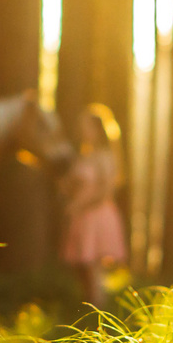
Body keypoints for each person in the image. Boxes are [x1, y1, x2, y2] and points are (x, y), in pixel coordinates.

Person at [61, 104, 127, 306]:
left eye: (87, 127)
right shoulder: (83, 156)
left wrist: (80, 205)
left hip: (97, 215)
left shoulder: (105, 157)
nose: (83, 131)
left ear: (99, 130)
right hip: (82, 216)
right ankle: (88, 308)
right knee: (81, 265)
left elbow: (106, 191)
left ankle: (99, 311)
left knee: (93, 266)